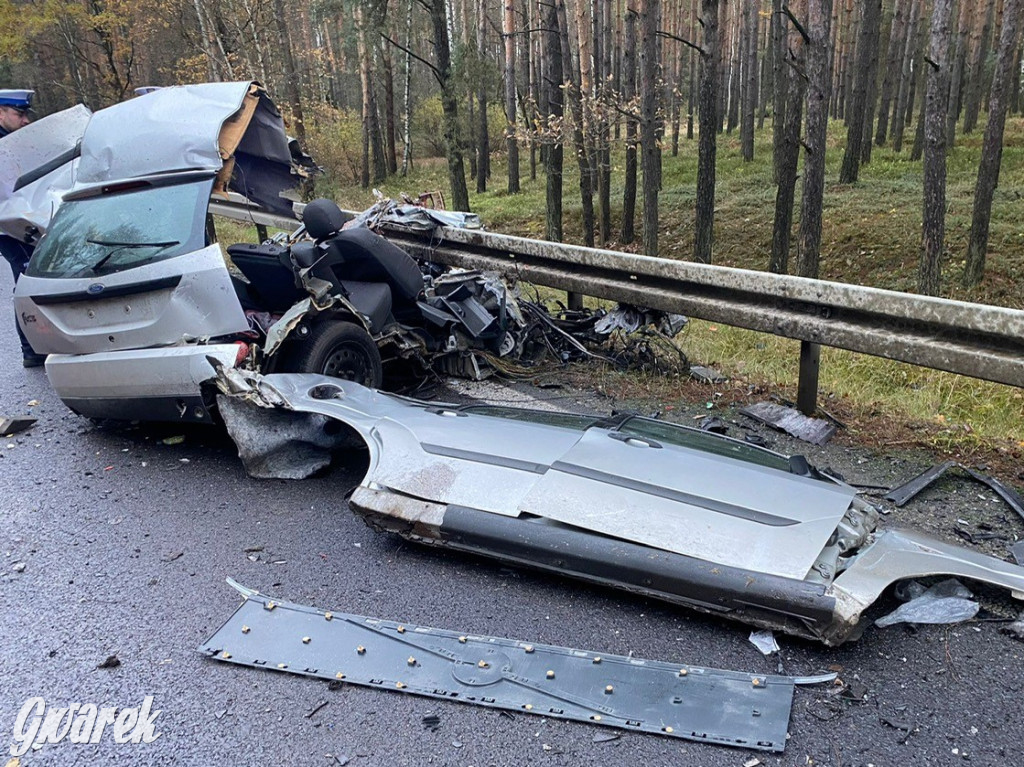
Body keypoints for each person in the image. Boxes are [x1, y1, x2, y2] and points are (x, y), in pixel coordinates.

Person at [0, 88, 45, 367]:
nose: (25, 120)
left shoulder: (11, 140)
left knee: (28, 276)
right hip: (7, 225)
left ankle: (34, 347)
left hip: (20, 219)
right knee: (27, 276)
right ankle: (32, 348)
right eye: (19, 114)